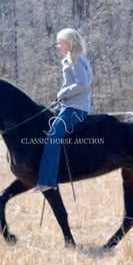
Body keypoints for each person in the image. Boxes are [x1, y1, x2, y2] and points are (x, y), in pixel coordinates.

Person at [34, 28, 93, 192]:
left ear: (69, 43)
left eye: (60, 42)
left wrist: (62, 93)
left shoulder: (75, 59)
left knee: (53, 136)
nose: (57, 46)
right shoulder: (78, 58)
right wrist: (62, 96)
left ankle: (47, 181)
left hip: (75, 107)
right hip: (71, 105)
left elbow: (82, 84)